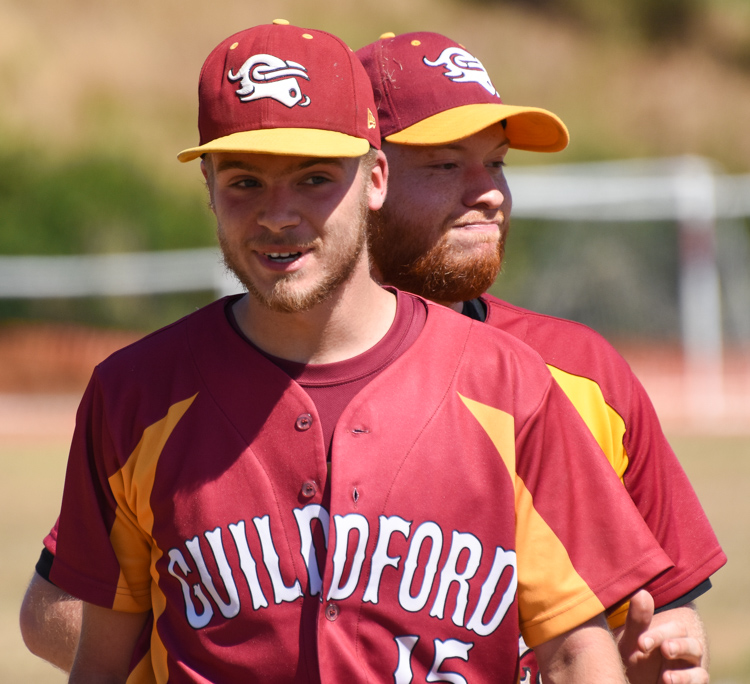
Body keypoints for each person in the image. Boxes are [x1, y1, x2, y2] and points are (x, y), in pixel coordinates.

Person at [22, 19, 673, 684]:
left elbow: (576, 651)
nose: (278, 215)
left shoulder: (507, 383)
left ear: (376, 179)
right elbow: (96, 658)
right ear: (208, 188)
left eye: (314, 178)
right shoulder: (134, 394)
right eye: (244, 182)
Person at [356, 30, 727, 684]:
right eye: (445, 166)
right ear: (364, 181)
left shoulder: (582, 371)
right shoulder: (273, 379)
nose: (489, 192)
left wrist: (665, 656)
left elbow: (668, 612)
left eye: (496, 164)